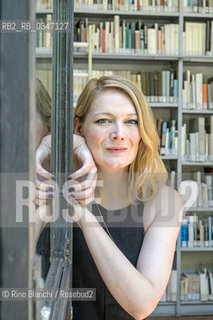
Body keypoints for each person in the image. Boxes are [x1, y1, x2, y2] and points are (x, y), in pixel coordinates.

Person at [36, 75, 183, 319]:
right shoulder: (51, 184)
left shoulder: (164, 202)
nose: (118, 134)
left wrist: (83, 216)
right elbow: (12, 260)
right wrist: (52, 146)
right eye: (104, 120)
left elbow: (141, 305)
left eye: (131, 121)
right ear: (79, 128)